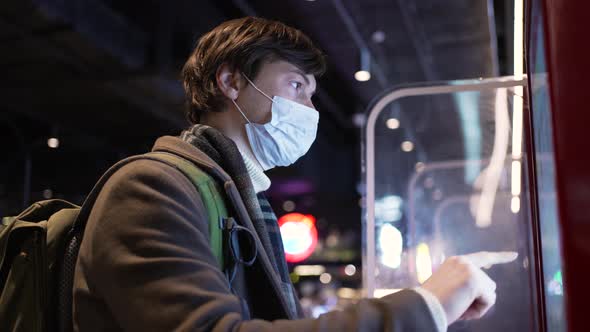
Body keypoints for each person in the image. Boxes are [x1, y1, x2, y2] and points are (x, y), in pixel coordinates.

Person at [73, 16, 516, 331]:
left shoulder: (240, 200)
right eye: (296, 85)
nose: (309, 110)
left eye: (312, 93)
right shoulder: (152, 188)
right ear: (231, 82)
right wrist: (424, 306)